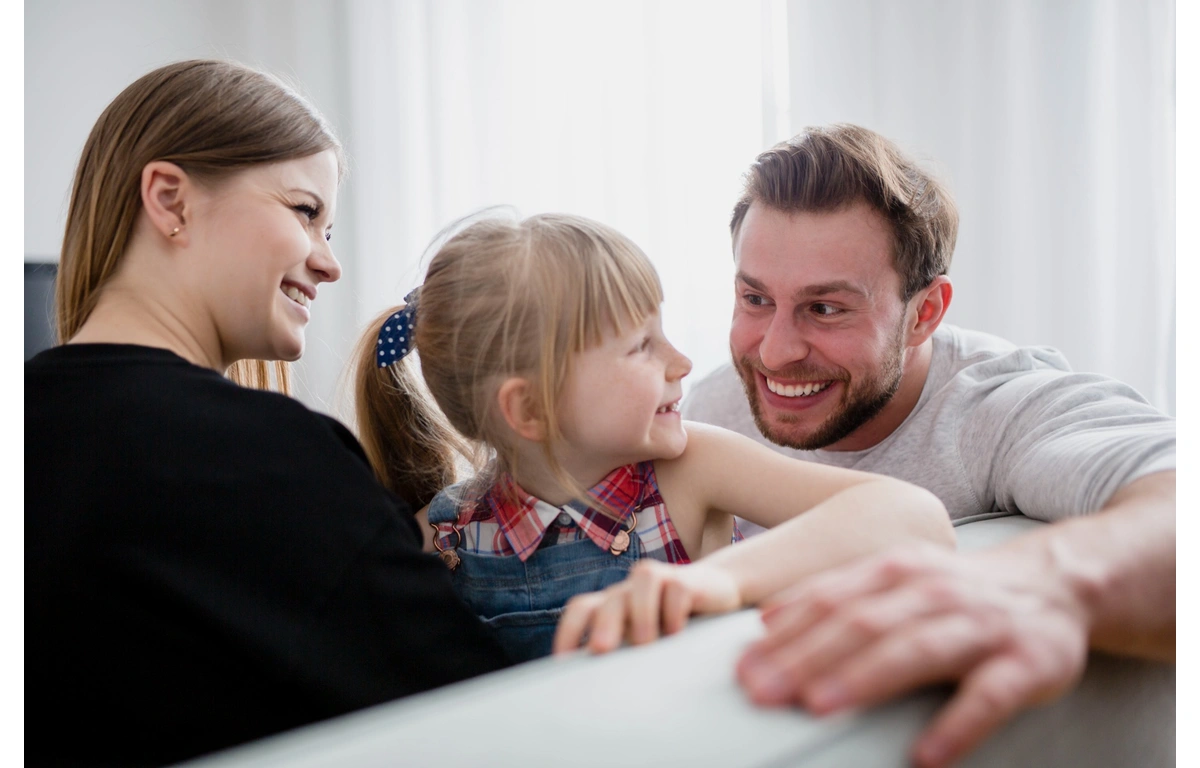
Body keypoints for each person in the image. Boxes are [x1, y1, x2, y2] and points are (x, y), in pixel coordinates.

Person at [25, 60, 512, 768]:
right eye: (305, 212)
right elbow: (493, 726)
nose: (329, 263)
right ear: (169, 200)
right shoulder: (272, 458)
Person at [677, 124, 1175, 767]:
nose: (774, 351)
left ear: (927, 312)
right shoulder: (717, 403)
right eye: (754, 298)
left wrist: (1047, 581)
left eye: (825, 309)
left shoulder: (993, 405)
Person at [351, 212, 954, 663]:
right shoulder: (445, 536)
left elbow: (913, 517)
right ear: (529, 408)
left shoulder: (690, 471)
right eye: (642, 346)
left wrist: (721, 578)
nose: (682, 361)